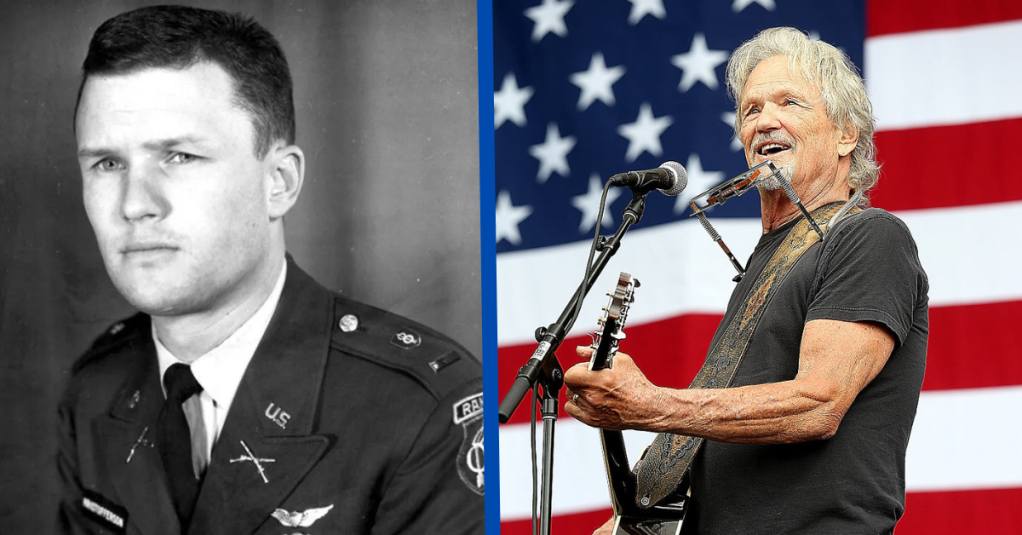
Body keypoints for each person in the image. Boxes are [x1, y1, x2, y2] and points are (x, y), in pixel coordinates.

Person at [57, 6, 483, 534]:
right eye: (107, 164)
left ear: (278, 182)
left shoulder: (420, 412)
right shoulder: (95, 390)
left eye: (179, 157)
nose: (135, 204)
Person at [563, 27, 928, 534]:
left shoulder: (869, 235)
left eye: (789, 102)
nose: (765, 120)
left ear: (847, 133)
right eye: (751, 110)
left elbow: (817, 403)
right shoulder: (767, 259)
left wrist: (651, 405)